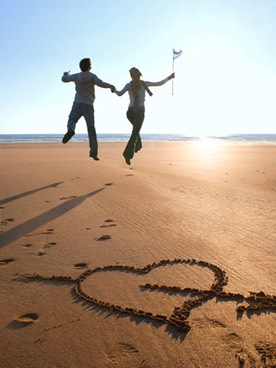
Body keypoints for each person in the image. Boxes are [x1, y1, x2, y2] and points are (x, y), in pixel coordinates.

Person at [114, 67, 175, 165]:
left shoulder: (129, 85)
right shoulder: (144, 84)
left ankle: (138, 146)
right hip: (139, 112)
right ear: (139, 75)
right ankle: (127, 154)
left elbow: (119, 94)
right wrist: (169, 77)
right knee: (135, 132)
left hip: (130, 113)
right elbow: (159, 83)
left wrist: (114, 90)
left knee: (136, 131)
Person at [61, 58, 115, 160]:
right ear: (90, 67)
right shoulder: (92, 76)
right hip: (88, 105)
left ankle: (71, 130)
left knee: (72, 120)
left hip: (77, 104)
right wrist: (110, 86)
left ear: (80, 67)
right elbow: (101, 83)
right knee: (91, 128)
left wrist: (65, 74)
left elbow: (64, 79)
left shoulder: (76, 76)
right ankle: (93, 152)